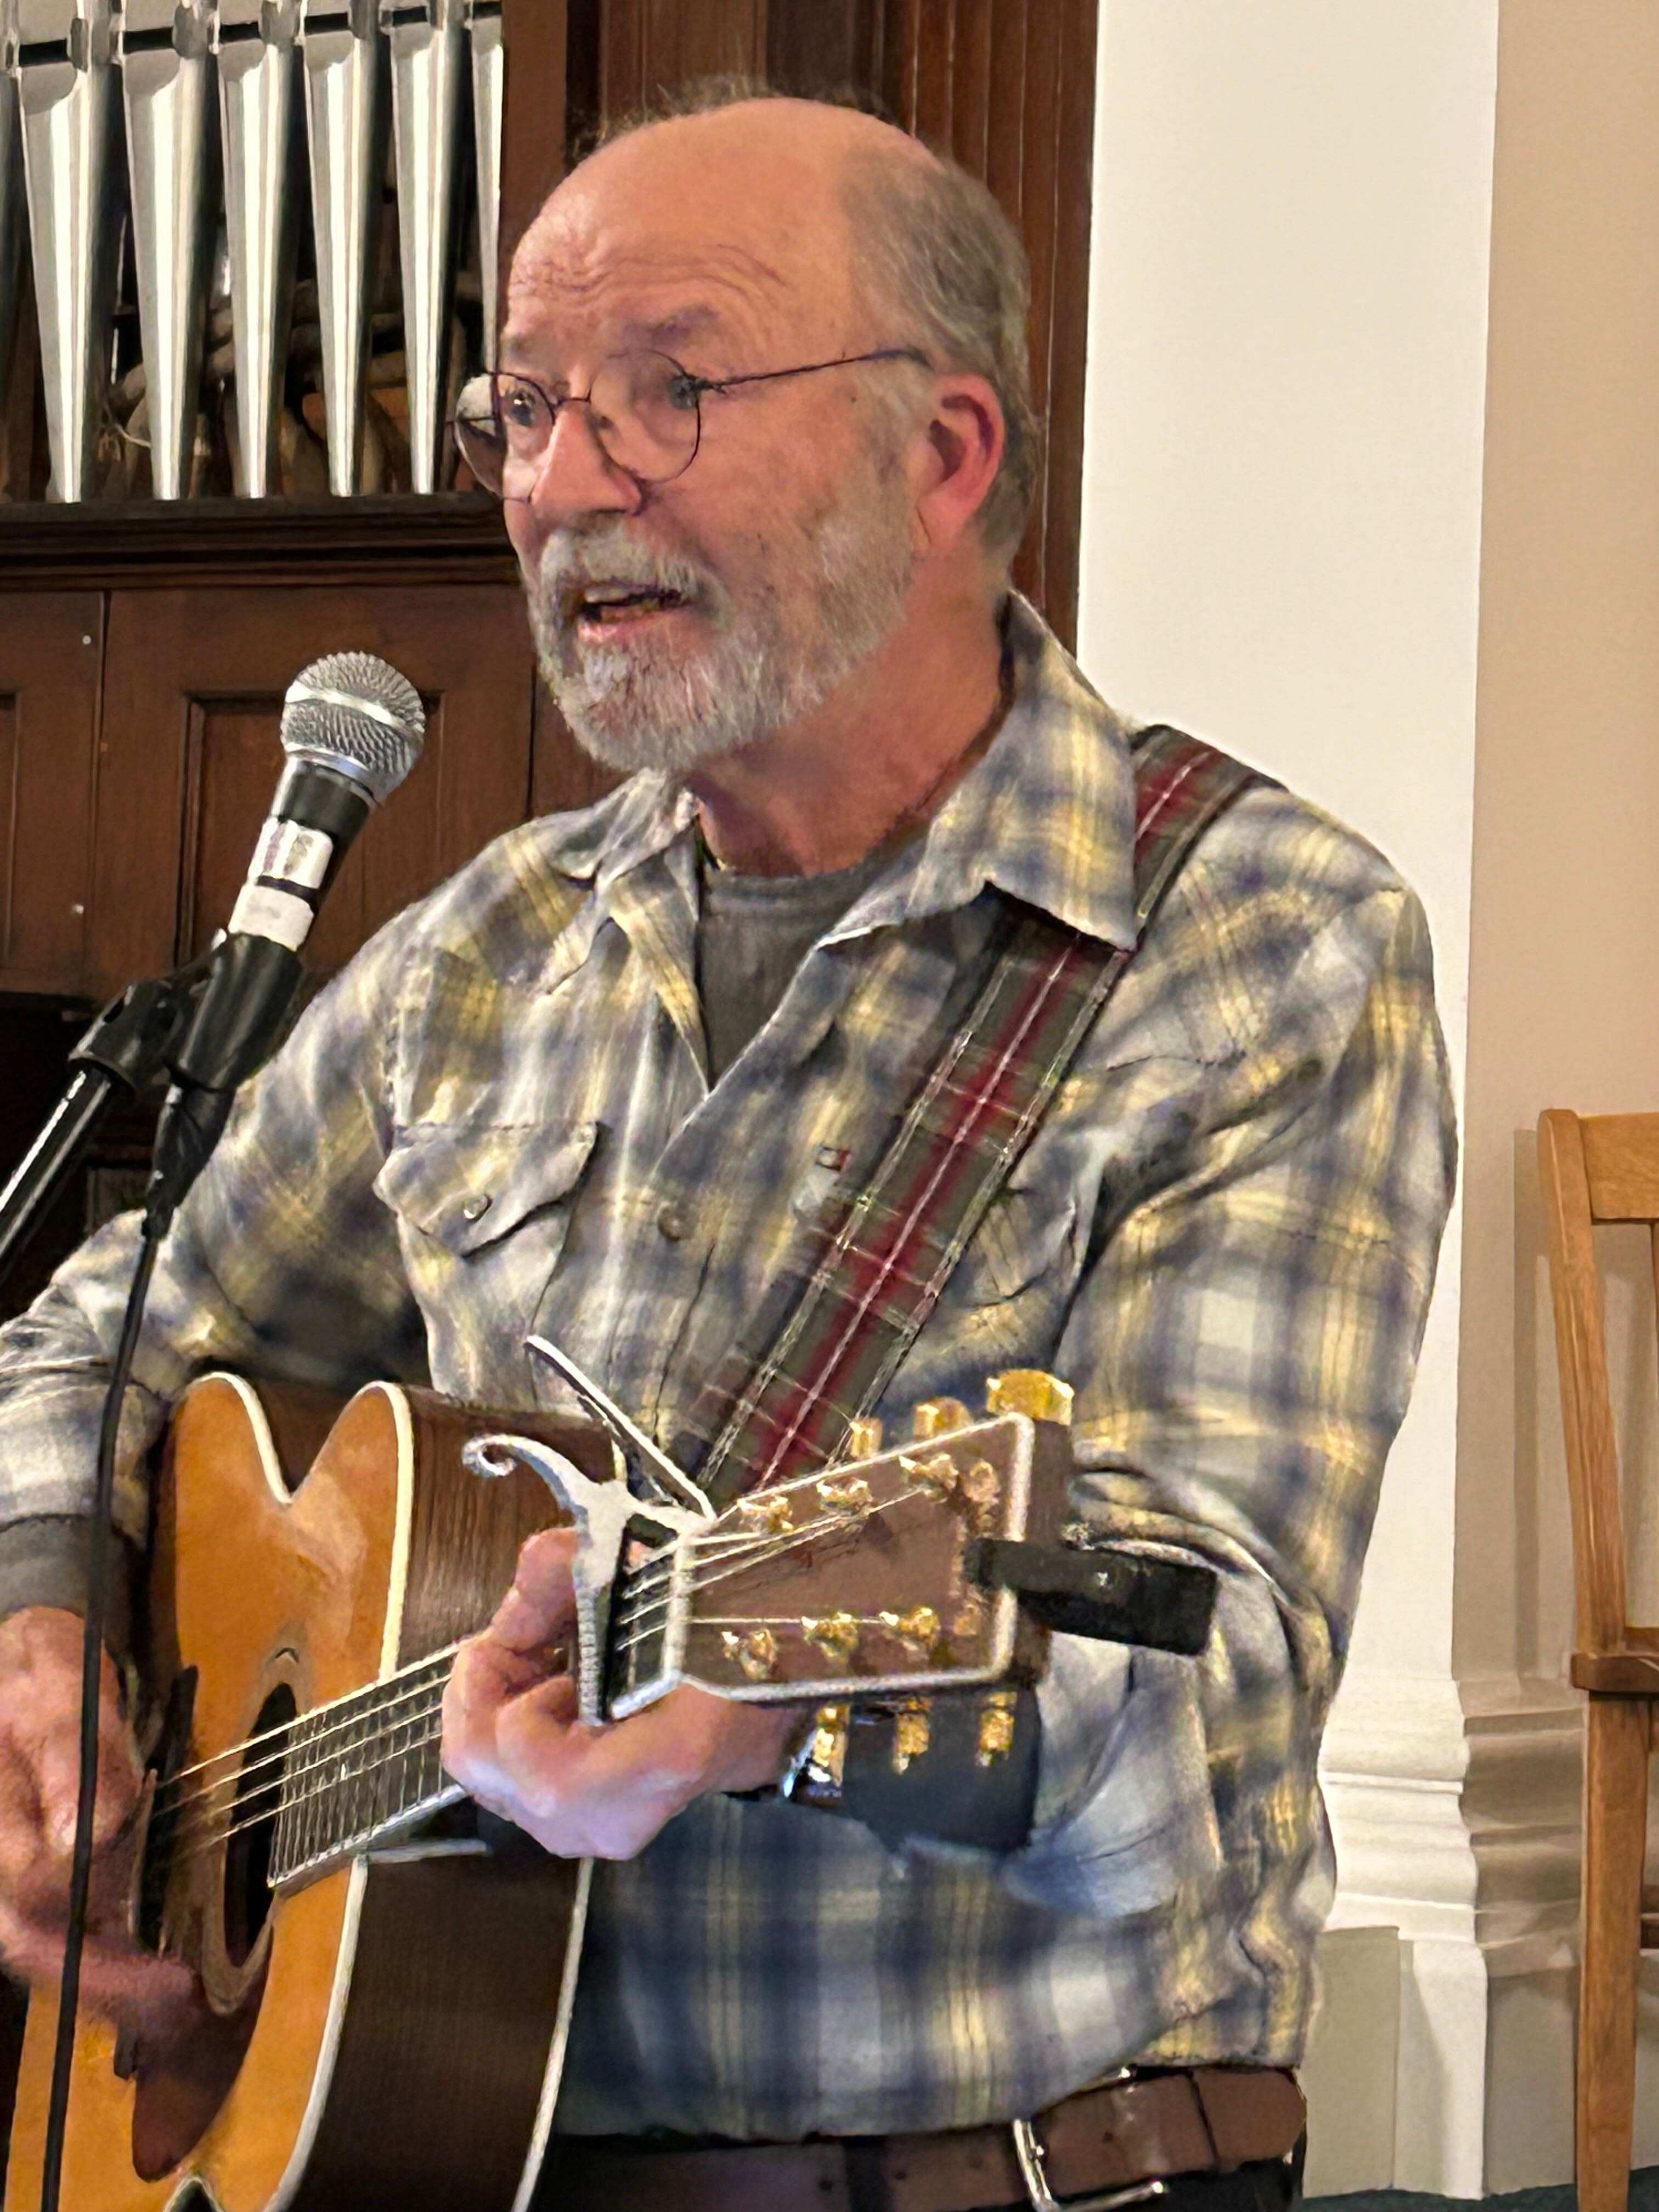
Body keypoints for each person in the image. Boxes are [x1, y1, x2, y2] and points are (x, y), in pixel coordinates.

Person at [0, 87, 1455, 2212]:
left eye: (670, 391)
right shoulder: (476, 958)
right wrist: (44, 1631)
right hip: (442, 2148)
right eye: (525, 409)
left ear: (943, 455)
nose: (566, 487)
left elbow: (1201, 1702)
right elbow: (91, 1340)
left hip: (1010, 2177)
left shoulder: (1258, 946)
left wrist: (760, 1707)